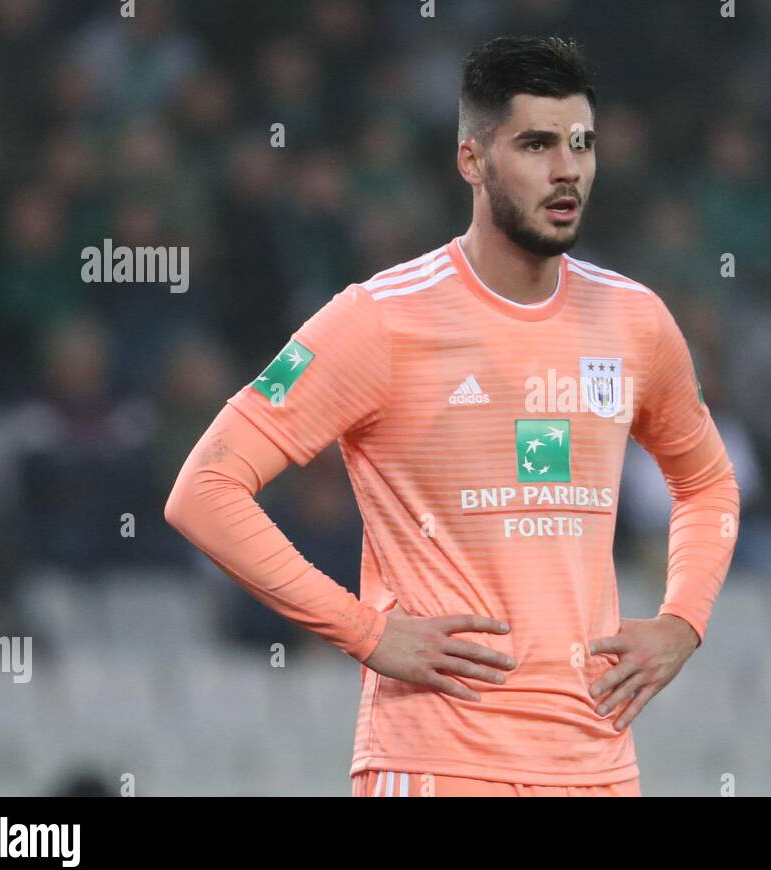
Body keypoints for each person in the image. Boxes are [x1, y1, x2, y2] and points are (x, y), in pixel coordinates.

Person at [165, 36, 740, 797]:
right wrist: (366, 632)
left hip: (597, 767)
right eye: (536, 144)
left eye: (582, 144)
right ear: (471, 160)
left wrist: (682, 623)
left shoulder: (636, 321)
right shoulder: (379, 320)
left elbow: (707, 484)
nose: (567, 169)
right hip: (437, 759)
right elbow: (204, 489)